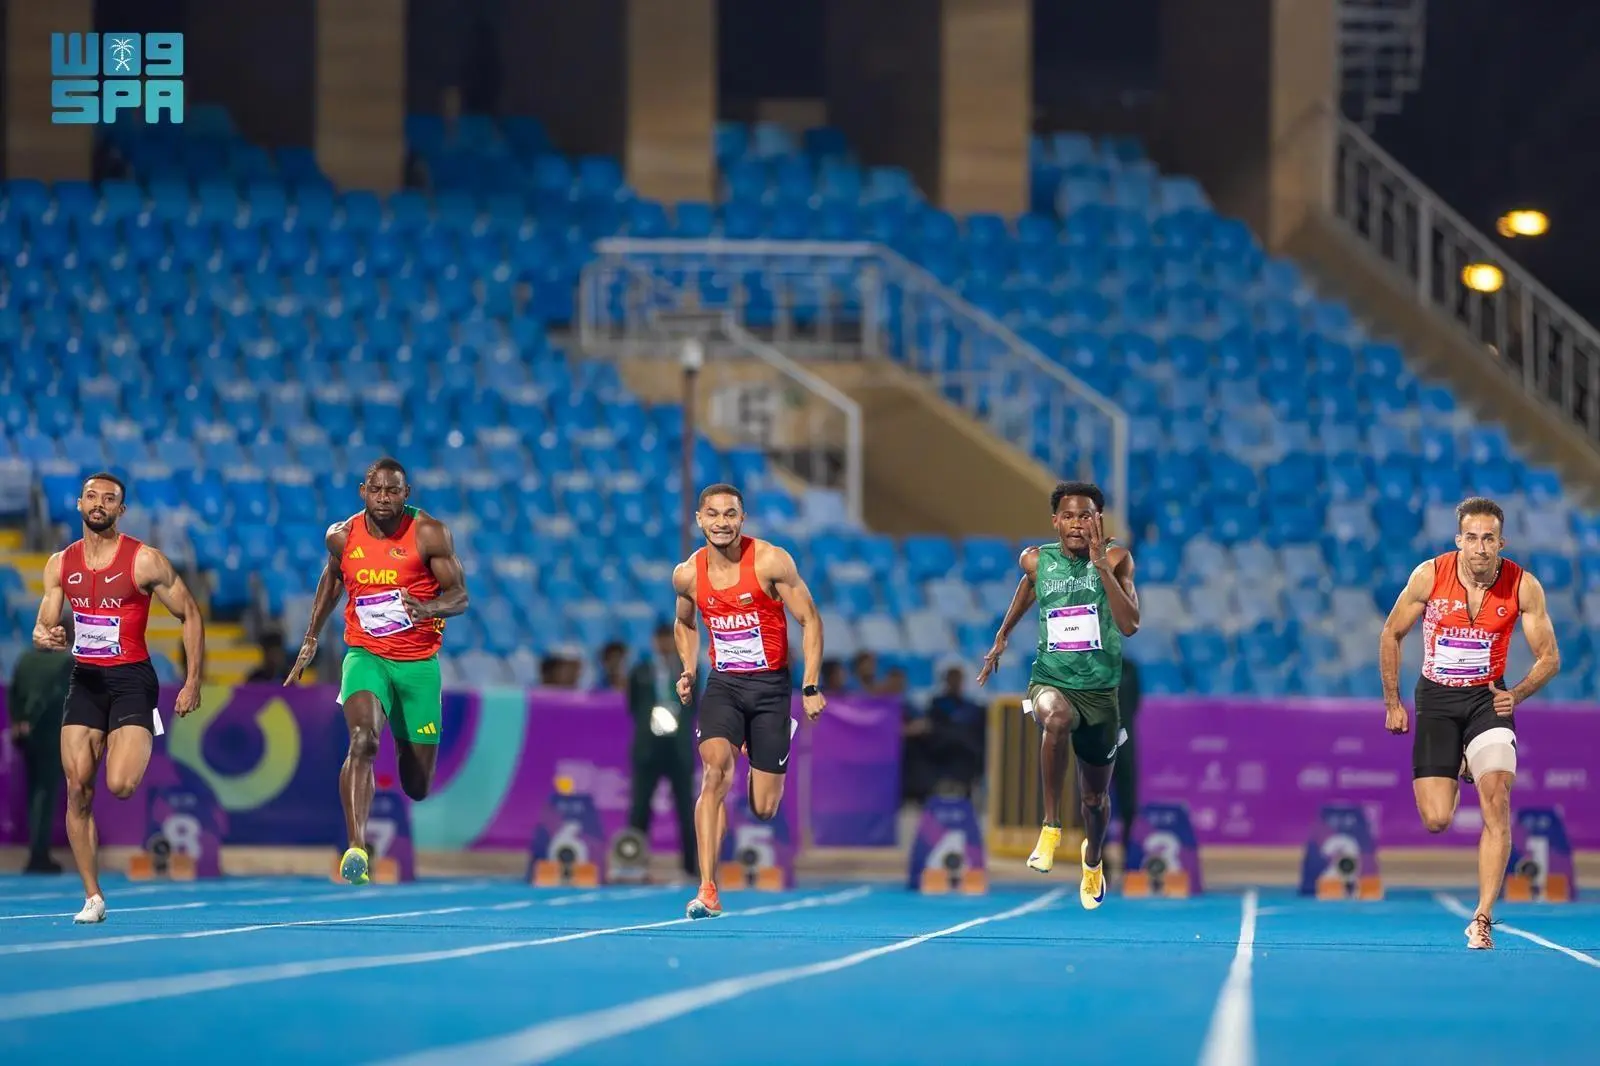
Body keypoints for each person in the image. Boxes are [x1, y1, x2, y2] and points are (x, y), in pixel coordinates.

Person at [1379, 496, 1560, 950]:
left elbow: (1550, 658)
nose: (1480, 547)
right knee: (1437, 819)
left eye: (1489, 539)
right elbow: (1391, 633)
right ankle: (1459, 759)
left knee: (1496, 796)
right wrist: (1393, 703)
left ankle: (1482, 917)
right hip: (1437, 699)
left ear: (1501, 542)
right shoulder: (1429, 575)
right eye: (1472, 538)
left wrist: (1514, 694)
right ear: (1460, 540)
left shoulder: (1523, 586)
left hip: (1487, 700)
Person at [286, 458, 470, 886]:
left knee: (417, 783)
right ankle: (356, 847)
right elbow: (332, 580)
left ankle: (405, 767)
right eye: (376, 490)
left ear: (406, 494)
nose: (383, 498)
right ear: (362, 491)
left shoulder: (429, 533)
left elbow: (459, 595)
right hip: (366, 655)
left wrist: (426, 607)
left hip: (418, 664)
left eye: (393, 491)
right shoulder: (342, 536)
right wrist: (311, 636)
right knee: (362, 740)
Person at [31, 472, 205, 923]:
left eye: (109, 499)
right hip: (85, 680)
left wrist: (191, 682)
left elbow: (190, 613)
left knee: (120, 785)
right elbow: (44, 622)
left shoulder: (144, 561)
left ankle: (128, 735)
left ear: (120, 510)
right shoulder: (59, 563)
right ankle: (93, 897)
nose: (99, 503)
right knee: (77, 789)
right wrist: (42, 635)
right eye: (91, 496)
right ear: (78, 504)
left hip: (132, 680)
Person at [977, 481, 1140, 910]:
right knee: (1055, 718)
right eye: (1068, 516)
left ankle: (1093, 859)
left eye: (1085, 516)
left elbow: (1130, 625)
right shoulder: (1036, 560)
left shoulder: (1119, 559)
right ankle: (1050, 827)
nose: (1076, 524)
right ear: (1055, 521)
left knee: (1095, 798)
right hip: (1051, 678)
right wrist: (1002, 635)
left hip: (1101, 692)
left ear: (1098, 521)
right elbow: (1028, 588)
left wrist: (1102, 567)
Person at [670, 483, 825, 919]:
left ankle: (761, 742)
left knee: (763, 808)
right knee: (713, 773)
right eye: (713, 515)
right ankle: (707, 889)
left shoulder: (770, 561)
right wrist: (688, 669)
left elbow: (810, 619)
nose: (722, 523)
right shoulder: (687, 574)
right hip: (724, 685)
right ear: (699, 520)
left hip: (771, 689)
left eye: (730, 514)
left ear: (743, 519)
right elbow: (683, 624)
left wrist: (810, 684)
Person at [626, 623, 698, 880]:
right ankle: (634, 863)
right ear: (655, 641)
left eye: (669, 639)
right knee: (640, 807)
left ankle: (692, 866)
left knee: (686, 808)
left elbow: (695, 705)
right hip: (649, 747)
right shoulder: (641, 671)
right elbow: (634, 705)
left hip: (677, 747)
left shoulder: (687, 671)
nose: (665, 644)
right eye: (661, 639)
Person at [6, 628, 75, 873]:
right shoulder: (65, 662)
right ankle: (39, 854)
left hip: (26, 735)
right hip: (50, 733)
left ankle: (37, 850)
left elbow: (13, 694)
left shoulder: (24, 659)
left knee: (34, 791)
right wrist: (33, 718)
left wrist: (20, 720)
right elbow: (58, 697)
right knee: (45, 794)